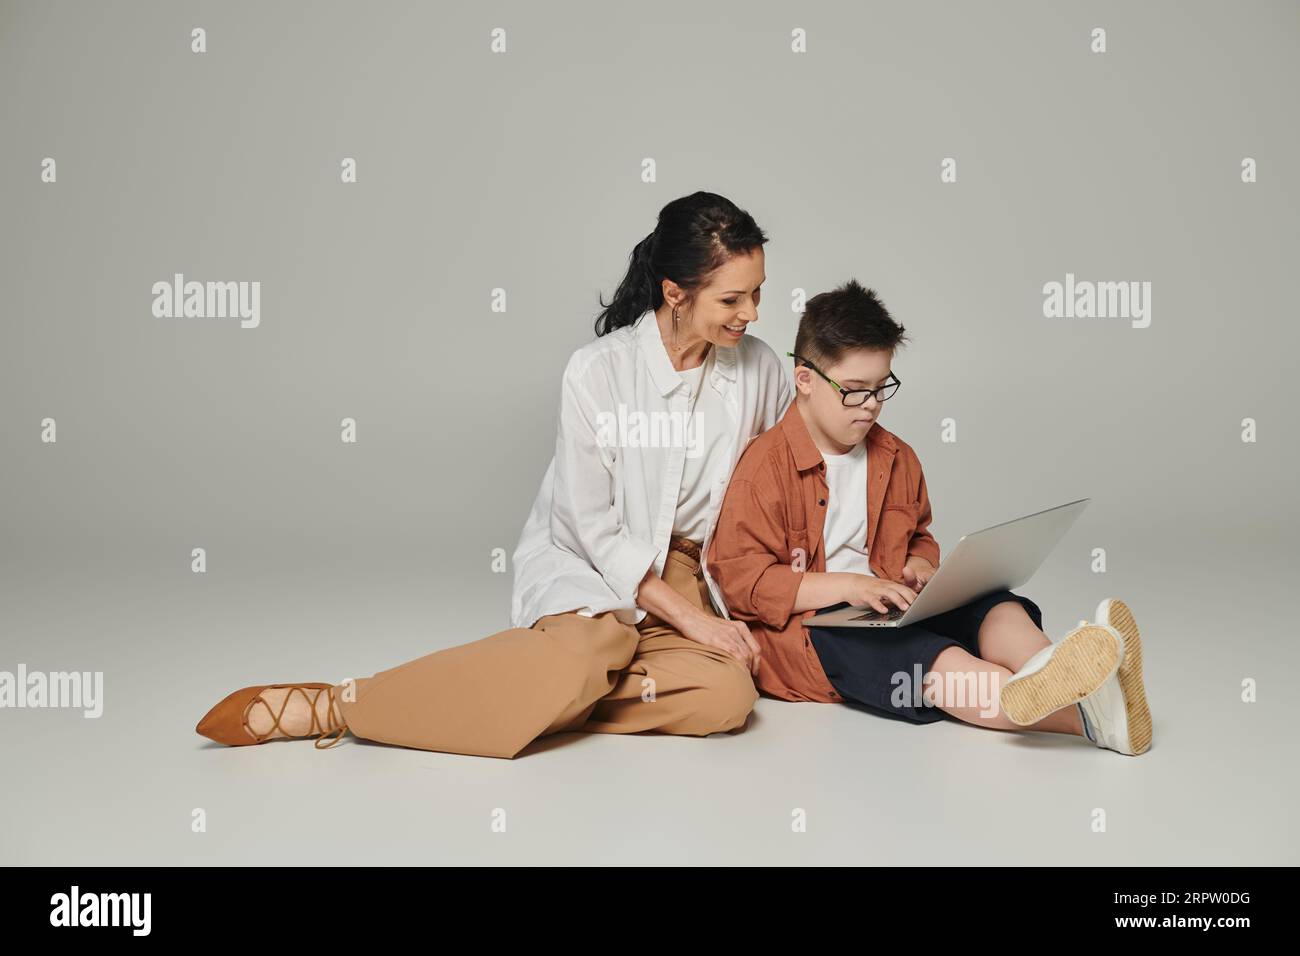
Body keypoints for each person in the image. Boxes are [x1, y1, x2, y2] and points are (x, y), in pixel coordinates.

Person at [195, 191, 794, 757]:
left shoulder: (761, 369)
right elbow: (593, 527)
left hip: (690, 571)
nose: (752, 313)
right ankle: (344, 707)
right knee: (593, 651)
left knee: (726, 698)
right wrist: (692, 624)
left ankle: (542, 691)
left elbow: (789, 483)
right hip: (592, 561)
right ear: (675, 293)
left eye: (757, 294)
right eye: (732, 299)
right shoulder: (597, 372)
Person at [705, 279, 1153, 756]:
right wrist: (851, 587)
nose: (872, 405)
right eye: (854, 391)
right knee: (931, 661)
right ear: (805, 379)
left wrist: (920, 566)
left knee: (996, 605)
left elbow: (919, 535)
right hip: (817, 632)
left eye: (882, 388)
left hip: (892, 605)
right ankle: (1089, 716)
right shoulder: (764, 468)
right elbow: (741, 582)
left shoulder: (896, 457)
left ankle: (1055, 667)